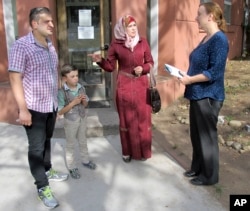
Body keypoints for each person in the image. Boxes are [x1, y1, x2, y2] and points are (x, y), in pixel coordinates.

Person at [8, 7, 68, 209]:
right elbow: (14, 77)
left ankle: (48, 168)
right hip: (33, 107)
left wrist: (57, 103)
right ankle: (42, 187)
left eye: (52, 21)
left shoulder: (50, 45)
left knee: (47, 140)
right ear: (34, 24)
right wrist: (23, 109)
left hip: (50, 105)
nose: (52, 25)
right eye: (47, 22)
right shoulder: (21, 46)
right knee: (36, 148)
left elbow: (54, 74)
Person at [88, 15, 154, 163]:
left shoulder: (143, 42)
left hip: (142, 85)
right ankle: (128, 152)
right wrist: (100, 61)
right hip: (124, 85)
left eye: (134, 25)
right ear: (122, 29)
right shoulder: (116, 44)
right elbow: (111, 67)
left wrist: (143, 68)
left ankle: (144, 151)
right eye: (130, 26)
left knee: (143, 118)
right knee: (126, 119)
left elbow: (150, 62)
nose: (133, 29)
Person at [179, 2, 229, 186]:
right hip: (197, 94)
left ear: (210, 17)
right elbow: (199, 65)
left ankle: (209, 176)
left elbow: (214, 72)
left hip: (208, 96)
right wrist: (186, 76)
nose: (196, 18)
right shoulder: (207, 38)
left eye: (199, 14)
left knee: (207, 137)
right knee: (196, 134)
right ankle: (198, 168)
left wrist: (189, 80)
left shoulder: (220, 40)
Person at [58, 64, 96, 179]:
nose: (76, 78)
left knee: (83, 141)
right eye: (72, 76)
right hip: (70, 121)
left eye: (77, 75)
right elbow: (60, 111)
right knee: (70, 144)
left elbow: (86, 104)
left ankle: (85, 160)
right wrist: (73, 103)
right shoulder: (61, 92)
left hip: (82, 118)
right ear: (65, 78)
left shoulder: (81, 87)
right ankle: (72, 167)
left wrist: (84, 101)